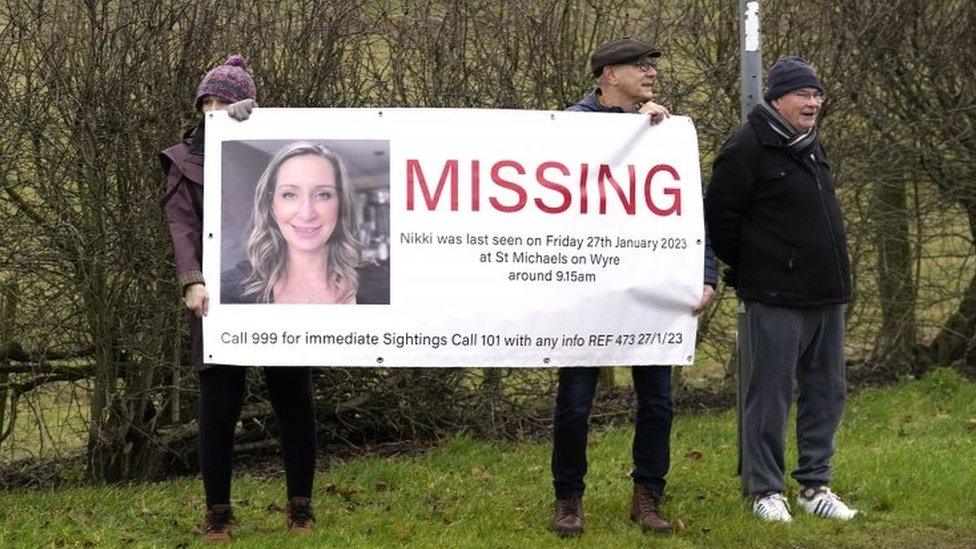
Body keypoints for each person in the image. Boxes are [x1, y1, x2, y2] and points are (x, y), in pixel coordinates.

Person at [550, 37, 718, 537]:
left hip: (649, 288)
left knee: (658, 400)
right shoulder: (565, 130)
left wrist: (704, 273)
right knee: (576, 400)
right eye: (638, 65)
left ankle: (647, 495)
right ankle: (568, 499)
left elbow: (689, 211)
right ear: (607, 75)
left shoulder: (662, 133)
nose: (650, 72)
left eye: (651, 66)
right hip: (585, 287)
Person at [160, 55, 317, 542]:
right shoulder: (183, 161)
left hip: (279, 292)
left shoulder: (271, 151)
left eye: (224, 103)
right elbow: (181, 223)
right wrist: (191, 279)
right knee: (219, 404)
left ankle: (300, 508)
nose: (212, 110)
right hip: (215, 296)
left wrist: (260, 131)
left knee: (294, 398)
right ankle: (219, 515)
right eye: (207, 101)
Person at [704, 56, 858, 522]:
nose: (813, 103)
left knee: (826, 391)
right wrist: (759, 268)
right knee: (769, 394)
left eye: (817, 95)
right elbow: (720, 222)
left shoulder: (810, 144)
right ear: (777, 99)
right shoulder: (746, 148)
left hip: (825, 293)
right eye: (803, 95)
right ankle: (764, 490)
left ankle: (815, 485)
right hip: (774, 296)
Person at [220, 141, 389, 305]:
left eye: (323, 195)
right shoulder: (229, 291)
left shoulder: (382, 285)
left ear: (341, 204)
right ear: (272, 205)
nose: (307, 214)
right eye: (289, 195)